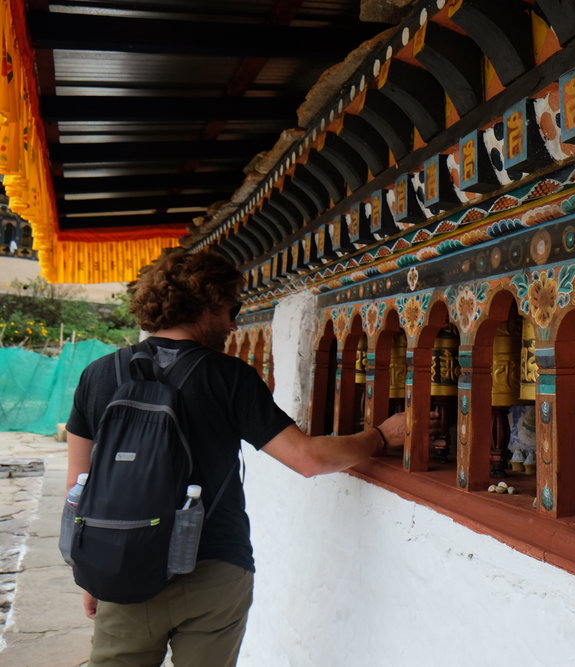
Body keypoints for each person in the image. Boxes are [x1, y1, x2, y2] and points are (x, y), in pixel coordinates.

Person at [65, 249, 432, 666]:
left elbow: (78, 487)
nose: (234, 322)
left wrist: (90, 568)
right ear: (207, 302)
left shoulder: (98, 375)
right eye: (231, 308)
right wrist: (379, 437)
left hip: (122, 563)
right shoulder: (225, 375)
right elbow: (307, 458)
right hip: (213, 570)